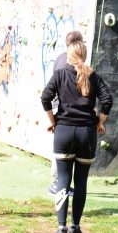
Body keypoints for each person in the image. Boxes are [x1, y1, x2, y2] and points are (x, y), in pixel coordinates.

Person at [41, 41, 113, 233]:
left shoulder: (59, 74)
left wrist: (52, 120)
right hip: (86, 134)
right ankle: (75, 226)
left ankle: (61, 226)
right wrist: (101, 122)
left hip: (63, 131)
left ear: (68, 54)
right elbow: (107, 100)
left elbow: (45, 97)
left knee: (63, 180)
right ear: (85, 54)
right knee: (81, 182)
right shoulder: (93, 76)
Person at [48, 30, 84, 196]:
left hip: (62, 108)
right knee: (61, 150)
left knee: (64, 148)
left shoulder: (61, 58)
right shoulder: (66, 62)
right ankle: (57, 183)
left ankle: (61, 183)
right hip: (62, 108)